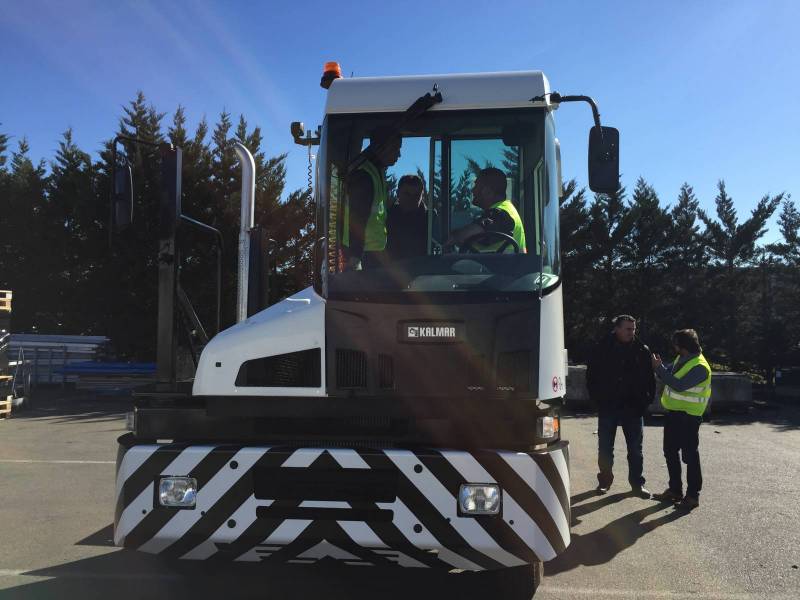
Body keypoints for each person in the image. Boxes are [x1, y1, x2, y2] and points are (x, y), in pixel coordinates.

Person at [586, 315, 655, 498]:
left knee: (635, 449)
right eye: (627, 329)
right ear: (616, 329)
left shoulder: (642, 350)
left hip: (634, 408)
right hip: (608, 406)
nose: (631, 332)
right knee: (605, 448)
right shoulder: (602, 348)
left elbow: (650, 379)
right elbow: (591, 376)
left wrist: (646, 401)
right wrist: (597, 400)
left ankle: (637, 485)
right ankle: (604, 481)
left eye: (633, 329)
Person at [651, 329, 712, 511]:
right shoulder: (682, 359)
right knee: (670, 451)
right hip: (674, 413)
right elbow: (669, 373)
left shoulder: (700, 366)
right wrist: (660, 368)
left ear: (682, 346)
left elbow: (678, 385)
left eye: (676, 344)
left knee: (690, 456)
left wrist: (659, 369)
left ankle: (693, 496)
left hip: (689, 417)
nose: (674, 347)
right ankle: (675, 490)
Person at [343, 126, 402, 270]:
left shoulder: (376, 171)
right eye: (395, 148)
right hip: (362, 255)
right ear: (380, 147)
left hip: (371, 252)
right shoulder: (364, 175)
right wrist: (355, 257)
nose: (399, 154)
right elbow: (357, 216)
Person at [446, 167, 526, 253]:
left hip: (497, 265)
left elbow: (477, 230)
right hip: (500, 264)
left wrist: (454, 237)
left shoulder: (501, 213)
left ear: (487, 191)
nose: (473, 190)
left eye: (476, 186)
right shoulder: (508, 210)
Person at [386, 174, 428, 262]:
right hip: (390, 271)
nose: (411, 199)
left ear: (422, 195)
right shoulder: (387, 218)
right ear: (398, 193)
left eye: (416, 195)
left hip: (422, 272)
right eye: (407, 194)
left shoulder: (430, 220)